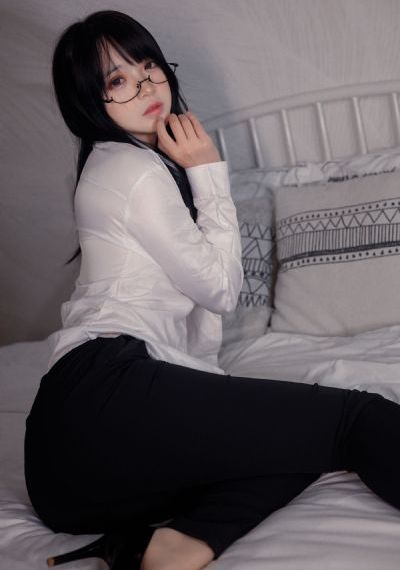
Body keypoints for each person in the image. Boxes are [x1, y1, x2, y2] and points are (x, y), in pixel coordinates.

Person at [24, 9, 400, 570]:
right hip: (102, 394)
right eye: (118, 80)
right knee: (354, 417)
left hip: (68, 474)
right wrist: (208, 172)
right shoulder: (133, 171)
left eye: (147, 66)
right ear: (88, 101)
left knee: (298, 439)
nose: (147, 87)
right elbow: (221, 292)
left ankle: (170, 546)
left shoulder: (118, 165)